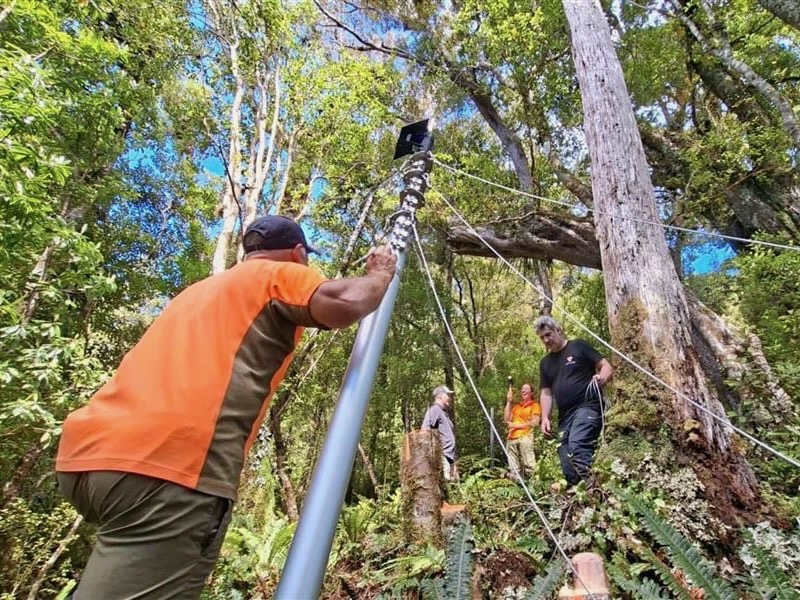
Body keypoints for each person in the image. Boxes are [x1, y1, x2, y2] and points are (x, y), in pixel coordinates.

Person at [55, 215, 397, 599]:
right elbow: (347, 301)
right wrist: (381, 274)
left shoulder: (199, 291)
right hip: (169, 470)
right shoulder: (276, 274)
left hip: (88, 460)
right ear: (297, 253)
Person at [535, 316, 614, 487]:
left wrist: (602, 378)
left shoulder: (578, 346)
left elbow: (605, 365)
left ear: (559, 330)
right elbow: (546, 393)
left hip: (587, 407)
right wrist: (545, 417)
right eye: (542, 338)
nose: (546, 340)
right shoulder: (545, 363)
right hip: (565, 416)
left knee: (577, 445)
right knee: (565, 456)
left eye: (548, 334)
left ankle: (594, 490)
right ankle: (578, 495)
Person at [421, 385, 458, 481]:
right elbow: (425, 431)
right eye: (448, 395)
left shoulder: (444, 413)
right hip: (442, 457)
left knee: (451, 486)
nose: (450, 398)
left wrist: (454, 462)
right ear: (440, 396)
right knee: (445, 485)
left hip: (449, 458)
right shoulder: (435, 410)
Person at [504, 382, 540, 479]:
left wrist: (516, 425)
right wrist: (509, 401)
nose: (523, 390)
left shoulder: (534, 405)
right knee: (514, 469)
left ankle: (535, 486)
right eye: (522, 389)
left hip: (525, 437)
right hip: (511, 438)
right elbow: (507, 419)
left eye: (526, 389)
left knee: (530, 466)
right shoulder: (516, 407)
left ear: (531, 393)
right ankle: (518, 489)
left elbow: (535, 422)